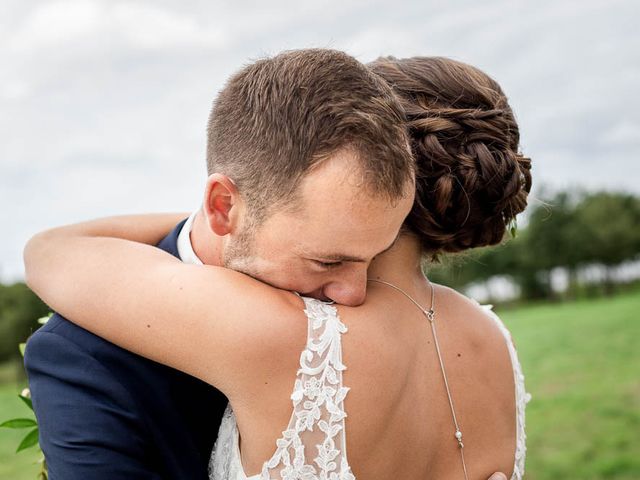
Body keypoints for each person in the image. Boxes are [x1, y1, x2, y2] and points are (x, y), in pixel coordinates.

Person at [24, 55, 531, 479]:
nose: (351, 293)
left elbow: (51, 251)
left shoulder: (284, 337)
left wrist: (248, 210)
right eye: (327, 258)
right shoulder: (493, 342)